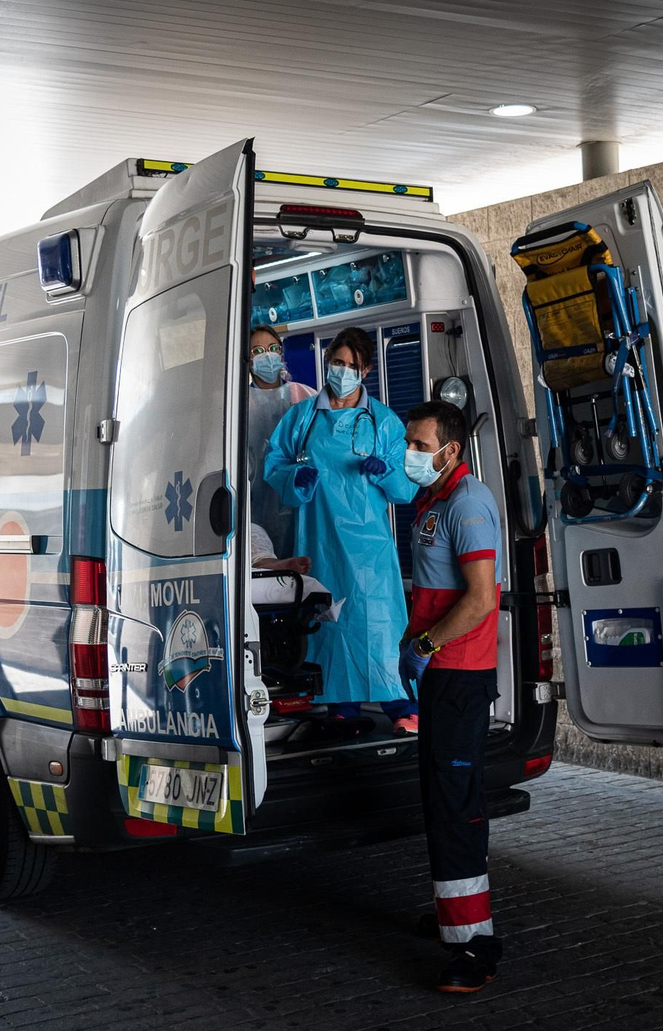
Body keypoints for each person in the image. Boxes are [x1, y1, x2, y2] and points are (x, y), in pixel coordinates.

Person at [262, 327, 419, 735]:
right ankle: (340, 704)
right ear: (327, 360)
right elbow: (274, 465)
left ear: (366, 371)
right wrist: (296, 477)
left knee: (377, 624)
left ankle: (402, 704)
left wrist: (385, 473)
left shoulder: (382, 422)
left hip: (369, 548)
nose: (343, 372)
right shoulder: (303, 417)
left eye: (352, 366)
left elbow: (405, 488)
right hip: (319, 538)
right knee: (328, 621)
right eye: (337, 362)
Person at [397, 399, 504, 993]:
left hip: (461, 676)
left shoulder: (467, 502)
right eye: (408, 442)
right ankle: (454, 918)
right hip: (440, 674)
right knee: (440, 801)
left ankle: (477, 947)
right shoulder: (432, 500)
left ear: (450, 449)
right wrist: (414, 642)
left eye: (419, 444)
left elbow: (481, 598)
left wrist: (427, 643)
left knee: (458, 806)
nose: (409, 452)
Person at [246, 325, 316, 558]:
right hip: (255, 506)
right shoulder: (238, 405)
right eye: (258, 351)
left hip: (304, 499)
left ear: (282, 354)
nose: (267, 355)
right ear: (248, 360)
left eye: (273, 348)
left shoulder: (306, 396)